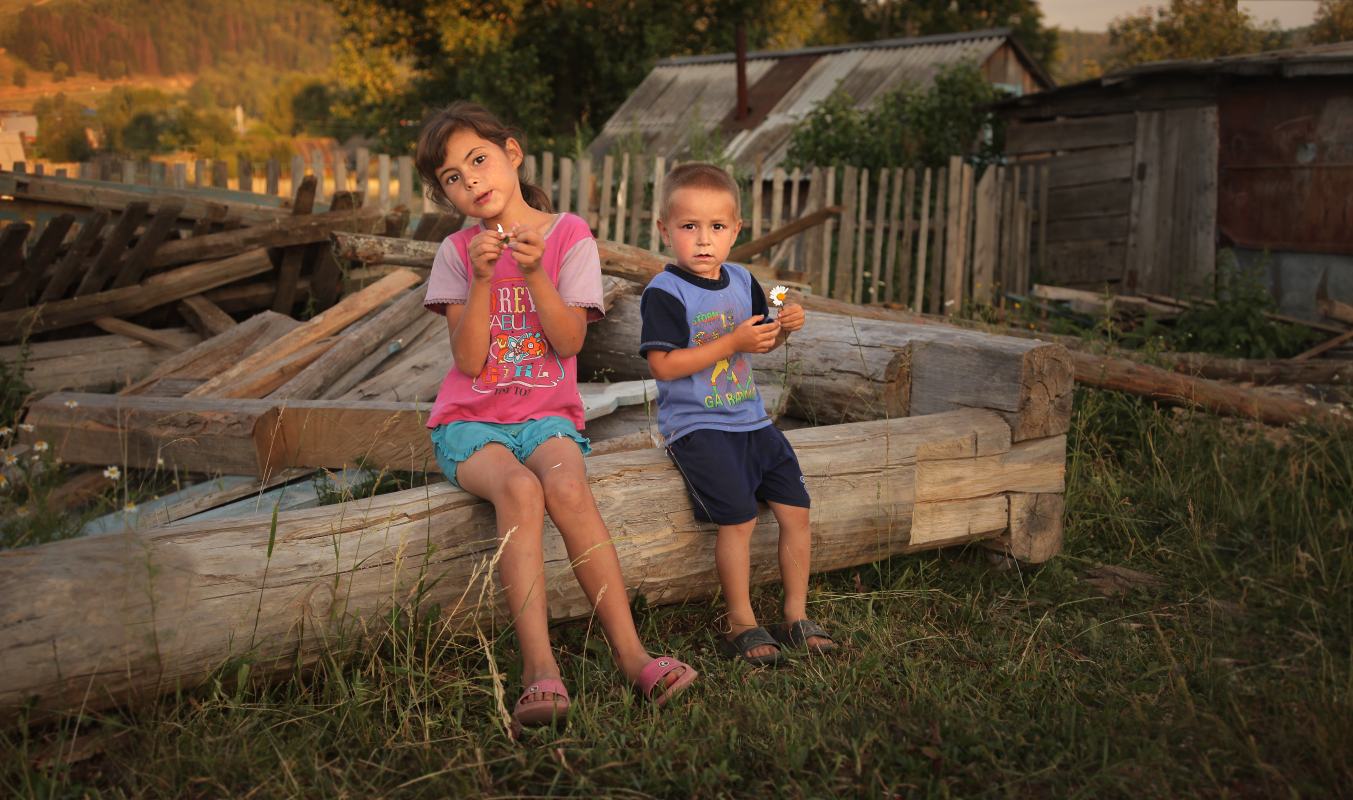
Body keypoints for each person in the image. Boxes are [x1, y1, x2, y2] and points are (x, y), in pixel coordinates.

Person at [414, 102, 696, 727]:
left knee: (566, 484)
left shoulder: (568, 236)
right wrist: (484, 281)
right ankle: (539, 668)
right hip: (470, 424)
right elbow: (468, 358)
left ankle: (633, 655)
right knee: (519, 489)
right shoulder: (457, 253)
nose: (471, 181)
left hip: (546, 417)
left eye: (478, 160)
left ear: (511, 153)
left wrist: (533, 269)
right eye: (452, 178)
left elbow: (568, 342)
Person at [639, 162, 840, 665]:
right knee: (741, 520)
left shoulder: (745, 278)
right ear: (664, 230)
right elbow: (663, 367)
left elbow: (775, 307)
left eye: (717, 227)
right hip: (700, 427)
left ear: (736, 230)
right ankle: (740, 623)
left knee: (797, 511)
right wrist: (732, 340)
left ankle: (796, 615)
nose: (703, 240)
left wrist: (789, 317)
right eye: (688, 227)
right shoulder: (663, 292)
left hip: (753, 421)